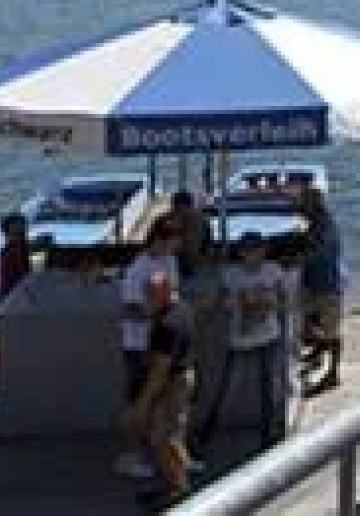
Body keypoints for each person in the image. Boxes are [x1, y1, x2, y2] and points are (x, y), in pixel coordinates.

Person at [194, 231, 289, 453]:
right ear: (241, 253)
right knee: (226, 389)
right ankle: (207, 434)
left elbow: (285, 303)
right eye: (248, 251)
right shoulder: (231, 275)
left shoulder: (274, 271)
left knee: (268, 389)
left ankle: (269, 436)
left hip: (268, 338)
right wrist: (202, 318)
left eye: (257, 250)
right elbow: (217, 302)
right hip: (239, 340)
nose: (253, 255)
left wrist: (267, 303)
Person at [123, 269, 196, 511]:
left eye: (152, 295)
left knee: (163, 439)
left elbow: (160, 370)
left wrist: (142, 404)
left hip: (173, 383)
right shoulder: (181, 308)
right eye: (147, 294)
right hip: (178, 378)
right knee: (167, 436)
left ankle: (179, 490)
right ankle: (175, 482)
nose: (147, 300)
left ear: (165, 293)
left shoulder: (168, 324)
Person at [114, 219, 181, 480]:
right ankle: (132, 455)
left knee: (165, 403)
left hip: (163, 341)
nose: (176, 247)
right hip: (138, 344)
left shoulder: (170, 262)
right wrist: (155, 313)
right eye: (173, 241)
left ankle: (170, 456)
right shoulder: (137, 269)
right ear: (159, 240)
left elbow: (173, 294)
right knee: (138, 401)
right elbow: (128, 309)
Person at [298, 186, 346, 395]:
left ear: (314, 205)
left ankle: (333, 374)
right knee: (309, 321)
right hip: (314, 284)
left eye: (303, 204)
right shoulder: (314, 223)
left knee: (331, 332)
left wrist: (297, 258)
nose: (300, 208)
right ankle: (318, 353)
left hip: (329, 286)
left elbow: (319, 254)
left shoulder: (326, 227)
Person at [167, 190, 214, 277]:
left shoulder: (200, 221)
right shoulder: (168, 221)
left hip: (192, 262)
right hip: (180, 262)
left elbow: (207, 244)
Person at [0, 212, 32, 304]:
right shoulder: (10, 255)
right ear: (6, 234)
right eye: (17, 234)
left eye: (22, 233)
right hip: (16, 298)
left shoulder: (28, 248)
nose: (20, 237)